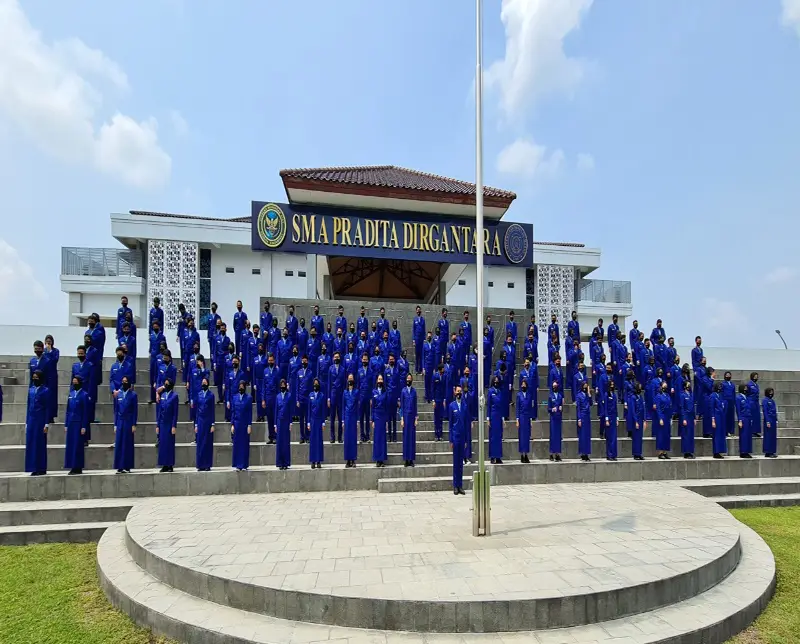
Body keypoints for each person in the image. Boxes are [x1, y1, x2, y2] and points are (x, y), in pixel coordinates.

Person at [64, 375, 89, 475]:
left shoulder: (84, 395)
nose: (74, 384)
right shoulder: (71, 394)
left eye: (76, 382)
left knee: (77, 446)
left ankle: (78, 467)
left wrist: (84, 426)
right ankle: (71, 465)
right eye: (73, 382)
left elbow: (85, 412)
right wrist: (66, 424)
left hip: (79, 424)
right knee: (70, 445)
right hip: (71, 423)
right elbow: (67, 410)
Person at [113, 376, 137, 474]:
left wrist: (134, 424)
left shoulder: (133, 395)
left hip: (128, 421)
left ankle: (127, 466)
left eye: (126, 381)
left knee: (127, 444)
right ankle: (119, 466)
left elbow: (135, 411)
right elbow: (116, 410)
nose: (124, 383)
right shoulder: (119, 394)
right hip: (120, 421)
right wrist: (115, 424)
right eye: (122, 381)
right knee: (119, 443)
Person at [448, 384, 468, 495]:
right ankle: (455, 485)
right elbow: (450, 425)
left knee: (461, 463)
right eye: (457, 391)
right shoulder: (451, 406)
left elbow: (466, 424)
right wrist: (451, 440)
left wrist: (466, 440)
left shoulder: (465, 406)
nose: (459, 393)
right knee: (456, 463)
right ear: (455, 392)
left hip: (462, 437)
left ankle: (460, 485)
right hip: (455, 437)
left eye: (460, 391)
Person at [157, 378, 179, 473]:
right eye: (164, 383)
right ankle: (164, 465)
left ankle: (170, 465)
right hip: (162, 423)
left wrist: (174, 425)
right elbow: (160, 411)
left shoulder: (174, 396)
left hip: (170, 423)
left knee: (169, 444)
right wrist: (158, 425)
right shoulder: (163, 395)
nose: (165, 385)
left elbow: (175, 412)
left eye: (167, 384)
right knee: (162, 444)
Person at [230, 380, 252, 471]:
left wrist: (249, 425)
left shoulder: (248, 398)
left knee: (244, 445)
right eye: (240, 387)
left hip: (244, 424)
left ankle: (244, 464)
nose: (241, 388)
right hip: (237, 424)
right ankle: (237, 464)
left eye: (242, 387)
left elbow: (249, 412)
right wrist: (232, 424)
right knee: (237, 444)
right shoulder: (234, 398)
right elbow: (233, 412)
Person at [195, 377, 215, 471]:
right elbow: (196, 410)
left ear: (208, 384)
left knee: (207, 443)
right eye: (202, 382)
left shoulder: (211, 395)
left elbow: (212, 410)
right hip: (200, 420)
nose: (203, 384)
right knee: (200, 443)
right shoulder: (198, 394)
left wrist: (212, 424)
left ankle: (207, 464)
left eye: (205, 382)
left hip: (208, 420)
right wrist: (196, 424)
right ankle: (200, 464)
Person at [308, 378, 326, 468]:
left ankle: (319, 461)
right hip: (312, 420)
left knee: (319, 441)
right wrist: (308, 422)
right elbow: (308, 410)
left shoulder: (322, 395)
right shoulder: (310, 395)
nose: (315, 385)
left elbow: (323, 410)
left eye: (317, 384)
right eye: (314, 384)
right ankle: (313, 461)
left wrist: (323, 422)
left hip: (319, 420)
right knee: (313, 441)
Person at [371, 374, 389, 467]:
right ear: (377, 380)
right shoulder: (373, 392)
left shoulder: (385, 393)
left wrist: (386, 421)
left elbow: (386, 407)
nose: (380, 381)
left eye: (381, 379)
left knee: (382, 438)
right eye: (379, 379)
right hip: (376, 416)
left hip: (383, 416)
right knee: (377, 438)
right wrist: (372, 420)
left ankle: (382, 459)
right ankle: (377, 459)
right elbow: (372, 407)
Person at [400, 375, 418, 467]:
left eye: (410, 379)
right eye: (407, 379)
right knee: (406, 438)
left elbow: (415, 406)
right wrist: (402, 418)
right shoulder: (403, 391)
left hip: (412, 417)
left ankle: (411, 459)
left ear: (412, 380)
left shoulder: (414, 392)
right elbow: (401, 406)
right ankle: (406, 459)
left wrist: (416, 418)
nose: (408, 380)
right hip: (405, 416)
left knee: (412, 438)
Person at [275, 379, 292, 470]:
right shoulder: (277, 396)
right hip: (279, 421)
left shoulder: (289, 396)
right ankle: (280, 463)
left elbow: (290, 410)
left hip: (286, 422)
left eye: (284, 385)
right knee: (280, 443)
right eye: (281, 385)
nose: (282, 386)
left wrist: (290, 423)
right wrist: (275, 424)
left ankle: (286, 463)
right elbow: (275, 410)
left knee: (286, 442)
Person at [328, 352, 345, 443]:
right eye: (335, 357)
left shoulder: (343, 369)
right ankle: (332, 437)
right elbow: (329, 384)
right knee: (332, 417)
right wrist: (328, 398)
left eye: (338, 357)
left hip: (340, 396)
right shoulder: (330, 369)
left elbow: (344, 384)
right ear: (333, 358)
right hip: (333, 395)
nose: (336, 358)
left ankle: (339, 437)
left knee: (340, 417)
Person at [262, 355, 280, 444]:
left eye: (272, 360)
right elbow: (263, 386)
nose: (270, 361)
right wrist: (263, 399)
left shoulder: (277, 371)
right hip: (268, 397)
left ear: (274, 361)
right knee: (269, 418)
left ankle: (276, 436)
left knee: (275, 418)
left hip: (275, 397)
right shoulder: (265, 371)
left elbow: (279, 386)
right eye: (269, 360)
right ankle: (271, 437)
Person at [487, 376, 504, 464]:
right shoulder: (490, 391)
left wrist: (503, 418)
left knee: (499, 437)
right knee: (493, 437)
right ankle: (492, 457)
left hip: (499, 416)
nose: (496, 383)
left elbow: (502, 406)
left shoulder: (500, 392)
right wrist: (488, 418)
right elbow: (489, 405)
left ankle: (498, 457)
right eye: (495, 381)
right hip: (493, 416)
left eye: (497, 381)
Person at [343, 375, 359, 467]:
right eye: (349, 379)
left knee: (353, 439)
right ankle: (347, 460)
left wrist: (357, 420)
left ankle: (353, 459)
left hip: (353, 417)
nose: (350, 380)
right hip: (347, 417)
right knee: (347, 439)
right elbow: (343, 406)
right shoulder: (344, 392)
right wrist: (342, 420)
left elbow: (357, 406)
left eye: (352, 379)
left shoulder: (356, 392)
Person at [516, 378, 533, 463]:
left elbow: (530, 408)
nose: (523, 386)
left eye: (524, 385)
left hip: (527, 417)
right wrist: (517, 419)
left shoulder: (529, 395)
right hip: (521, 417)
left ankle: (526, 454)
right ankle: (522, 455)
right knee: (522, 437)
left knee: (527, 437)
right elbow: (518, 408)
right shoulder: (519, 395)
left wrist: (530, 419)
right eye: (522, 385)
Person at [296, 356, 312, 443]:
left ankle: (308, 436)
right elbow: (297, 387)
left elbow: (311, 387)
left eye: (305, 361)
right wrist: (297, 400)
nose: (304, 363)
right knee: (301, 419)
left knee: (308, 419)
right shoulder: (299, 372)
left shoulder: (310, 372)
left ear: (307, 362)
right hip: (301, 398)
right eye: (303, 361)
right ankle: (302, 437)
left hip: (308, 398)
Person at [655, 381, 672, 459]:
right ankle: (660, 452)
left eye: (666, 386)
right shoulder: (658, 396)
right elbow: (658, 408)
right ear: (661, 387)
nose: (665, 387)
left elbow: (670, 406)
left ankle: (665, 452)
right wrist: (660, 418)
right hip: (662, 416)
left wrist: (670, 417)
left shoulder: (668, 395)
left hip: (667, 416)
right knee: (661, 435)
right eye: (664, 386)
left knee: (667, 435)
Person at [576, 381, 593, 461]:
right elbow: (578, 408)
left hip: (587, 417)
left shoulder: (587, 395)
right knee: (582, 436)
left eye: (587, 386)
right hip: (582, 416)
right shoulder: (578, 395)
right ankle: (583, 453)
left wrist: (589, 395)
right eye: (585, 386)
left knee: (587, 436)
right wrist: (579, 419)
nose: (586, 388)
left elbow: (591, 403)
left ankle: (587, 453)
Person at [736, 383, 753, 459]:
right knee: (744, 435)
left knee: (748, 435)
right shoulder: (738, 398)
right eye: (745, 388)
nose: (746, 390)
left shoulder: (747, 397)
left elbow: (749, 408)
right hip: (743, 418)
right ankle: (743, 452)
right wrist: (739, 420)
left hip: (748, 418)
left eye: (747, 388)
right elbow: (738, 410)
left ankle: (747, 451)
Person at [357, 354, 371, 443]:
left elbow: (372, 385)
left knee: (368, 417)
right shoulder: (359, 371)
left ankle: (368, 435)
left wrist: (372, 398)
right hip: (361, 397)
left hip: (368, 397)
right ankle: (362, 435)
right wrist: (358, 398)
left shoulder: (371, 371)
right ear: (361, 360)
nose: (365, 361)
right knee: (361, 418)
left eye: (366, 359)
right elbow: (357, 385)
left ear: (368, 360)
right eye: (364, 359)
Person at [679, 381, 695, 459]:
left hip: (691, 417)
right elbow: (682, 407)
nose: (689, 386)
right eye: (688, 385)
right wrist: (684, 418)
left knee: (691, 435)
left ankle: (690, 451)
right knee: (686, 435)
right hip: (686, 416)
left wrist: (694, 418)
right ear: (685, 386)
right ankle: (686, 452)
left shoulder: (691, 395)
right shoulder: (682, 395)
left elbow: (692, 407)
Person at [548, 381, 563, 461]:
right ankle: (551, 453)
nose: (555, 387)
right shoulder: (550, 396)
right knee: (553, 436)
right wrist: (552, 409)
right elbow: (548, 408)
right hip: (553, 418)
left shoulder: (560, 396)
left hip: (558, 418)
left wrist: (561, 408)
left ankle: (557, 454)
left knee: (558, 436)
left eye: (556, 386)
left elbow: (561, 406)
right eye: (553, 386)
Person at [711, 382, 727, 459]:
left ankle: (720, 451)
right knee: (716, 435)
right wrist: (713, 420)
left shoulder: (721, 396)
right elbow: (711, 408)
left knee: (721, 434)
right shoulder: (713, 396)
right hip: (716, 417)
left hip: (722, 417)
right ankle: (716, 452)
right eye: (719, 386)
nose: (720, 388)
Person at [630, 383, 646, 460]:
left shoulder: (641, 397)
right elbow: (633, 410)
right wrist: (635, 421)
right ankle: (635, 454)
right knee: (636, 437)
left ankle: (639, 453)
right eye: (639, 387)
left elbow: (643, 409)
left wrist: (644, 420)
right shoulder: (633, 397)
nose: (640, 389)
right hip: (636, 419)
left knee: (640, 437)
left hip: (640, 419)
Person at [604, 381, 619, 461]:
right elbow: (605, 407)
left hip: (614, 417)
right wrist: (606, 419)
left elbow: (616, 407)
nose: (612, 386)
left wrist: (617, 418)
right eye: (611, 385)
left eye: (613, 385)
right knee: (609, 437)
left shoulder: (614, 395)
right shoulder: (606, 395)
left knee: (614, 437)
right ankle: (609, 454)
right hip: (609, 418)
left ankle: (614, 454)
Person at [762, 388, 778, 458]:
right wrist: (767, 421)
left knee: (773, 436)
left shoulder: (772, 401)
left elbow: (774, 411)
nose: (771, 393)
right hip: (768, 420)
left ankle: (772, 451)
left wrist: (776, 419)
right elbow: (765, 411)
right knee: (768, 436)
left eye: (772, 392)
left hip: (773, 420)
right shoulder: (765, 400)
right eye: (770, 392)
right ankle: (768, 451)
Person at [721, 372, 736, 436]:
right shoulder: (723, 384)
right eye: (727, 375)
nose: (728, 376)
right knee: (726, 416)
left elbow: (734, 393)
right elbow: (721, 393)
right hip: (725, 401)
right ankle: (725, 431)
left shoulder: (732, 384)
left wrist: (734, 401)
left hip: (731, 402)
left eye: (729, 375)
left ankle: (731, 430)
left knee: (731, 416)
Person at [747, 373, 761, 439]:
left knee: (756, 417)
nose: (756, 378)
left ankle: (755, 431)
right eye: (755, 376)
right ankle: (751, 431)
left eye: (757, 377)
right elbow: (747, 393)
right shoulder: (749, 384)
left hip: (756, 402)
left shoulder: (756, 385)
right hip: (751, 402)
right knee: (752, 417)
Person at [413, 306, 426, 374]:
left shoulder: (423, 319)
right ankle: (416, 369)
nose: (418, 311)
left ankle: (420, 369)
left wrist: (424, 339)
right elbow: (413, 330)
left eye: (419, 310)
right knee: (417, 355)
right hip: (416, 339)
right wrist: (413, 340)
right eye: (417, 310)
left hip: (421, 340)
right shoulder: (415, 319)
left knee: (421, 355)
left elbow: (424, 330)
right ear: (416, 311)